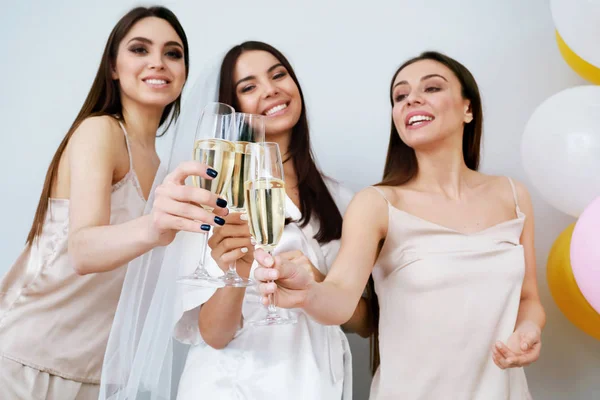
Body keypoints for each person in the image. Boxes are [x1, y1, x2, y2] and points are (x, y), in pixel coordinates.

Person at [253, 51, 546, 400]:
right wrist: (308, 291)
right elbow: (341, 298)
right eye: (400, 96)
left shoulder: (512, 195)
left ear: (469, 108)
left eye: (432, 88)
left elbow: (529, 299)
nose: (413, 100)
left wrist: (529, 331)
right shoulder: (376, 204)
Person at [0, 6, 228, 399]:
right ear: (113, 68)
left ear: (184, 72)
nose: (158, 62)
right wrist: (155, 226)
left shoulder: (165, 169)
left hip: (97, 372)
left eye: (173, 53)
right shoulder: (100, 131)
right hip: (25, 360)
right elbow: (83, 251)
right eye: (140, 49)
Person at [173, 41, 373, 400]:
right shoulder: (217, 196)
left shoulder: (343, 200)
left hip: (316, 384)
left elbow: (363, 322)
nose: (271, 89)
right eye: (249, 87)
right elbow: (214, 334)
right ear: (234, 111)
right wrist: (239, 270)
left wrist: (317, 283)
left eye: (279, 74)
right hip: (233, 386)